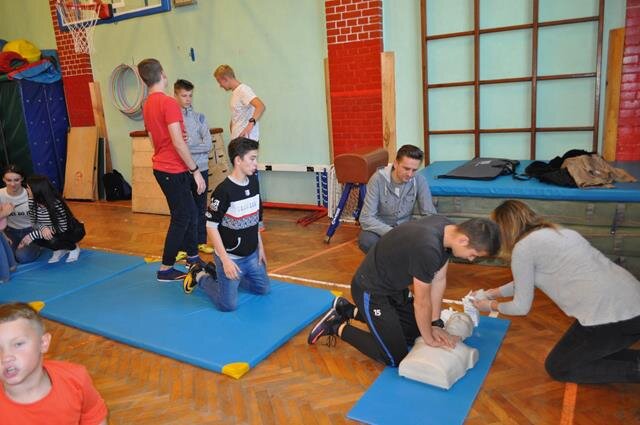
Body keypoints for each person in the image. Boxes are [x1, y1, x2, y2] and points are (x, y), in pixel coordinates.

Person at [472, 200, 640, 384]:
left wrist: (490, 305)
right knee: (577, 357)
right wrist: (494, 293)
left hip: (613, 316)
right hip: (630, 299)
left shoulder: (523, 249)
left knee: (559, 368)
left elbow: (521, 308)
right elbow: (527, 279)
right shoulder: (559, 232)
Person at [308, 216, 501, 367]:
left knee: (414, 333)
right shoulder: (428, 248)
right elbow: (421, 302)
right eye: (474, 254)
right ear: (464, 239)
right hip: (371, 291)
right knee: (395, 357)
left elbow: (439, 279)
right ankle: (335, 325)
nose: (471, 260)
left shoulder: (447, 229)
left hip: (394, 287)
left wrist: (435, 323)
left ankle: (348, 310)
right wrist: (429, 338)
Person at [137, 58, 206, 282]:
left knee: (191, 212)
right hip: (172, 170)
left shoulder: (147, 104)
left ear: (144, 80)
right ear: (163, 75)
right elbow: (178, 142)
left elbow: (153, 138)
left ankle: (193, 257)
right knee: (182, 217)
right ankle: (166, 268)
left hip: (165, 167)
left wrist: (172, 143)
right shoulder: (168, 103)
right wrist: (195, 170)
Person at [183, 137, 269, 311]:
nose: (256, 163)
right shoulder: (224, 191)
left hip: (252, 255)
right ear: (238, 160)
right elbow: (211, 226)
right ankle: (200, 275)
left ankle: (221, 275)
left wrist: (260, 247)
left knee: (263, 289)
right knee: (227, 305)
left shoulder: (254, 182)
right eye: (252, 158)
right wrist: (225, 261)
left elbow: (255, 219)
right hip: (230, 258)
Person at [0, 302, 108, 424]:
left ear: (43, 343)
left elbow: (93, 416)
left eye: (18, 344)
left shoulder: (75, 378)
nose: (5, 357)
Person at [358, 144, 437, 253]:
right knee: (366, 240)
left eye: (414, 170)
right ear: (395, 164)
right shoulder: (377, 179)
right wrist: (394, 233)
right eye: (406, 168)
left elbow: (429, 214)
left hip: (406, 228)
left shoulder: (420, 180)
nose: (410, 174)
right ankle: (383, 262)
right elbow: (366, 218)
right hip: (381, 229)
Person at [173, 78, 214, 257]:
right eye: (184, 95)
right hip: (182, 169)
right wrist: (184, 147)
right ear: (176, 95)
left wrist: (187, 147)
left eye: (190, 95)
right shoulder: (173, 120)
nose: (188, 99)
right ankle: (184, 248)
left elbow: (208, 145)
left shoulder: (200, 118)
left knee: (200, 207)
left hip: (201, 168)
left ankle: (200, 242)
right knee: (184, 210)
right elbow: (176, 146)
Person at [18, 175, 85, 264]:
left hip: (69, 231)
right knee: (38, 239)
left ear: (37, 190)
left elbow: (63, 228)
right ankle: (59, 249)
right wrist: (43, 228)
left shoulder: (55, 204)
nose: (26, 190)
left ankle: (73, 248)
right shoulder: (32, 201)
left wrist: (34, 234)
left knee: (51, 240)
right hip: (53, 231)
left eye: (28, 188)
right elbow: (34, 223)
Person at [0, 164, 40, 263]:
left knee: (22, 257)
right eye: (9, 180)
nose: (13, 184)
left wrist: (33, 235)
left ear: (22, 179)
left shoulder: (30, 193)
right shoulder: (0, 194)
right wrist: (3, 214)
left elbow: (46, 218)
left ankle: (38, 245)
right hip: (10, 232)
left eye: (16, 180)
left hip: (31, 230)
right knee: (7, 257)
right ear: (3, 179)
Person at [213, 64, 265, 141]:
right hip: (237, 139)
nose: (220, 85)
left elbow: (260, 106)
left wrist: (250, 125)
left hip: (246, 141)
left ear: (225, 79)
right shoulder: (235, 92)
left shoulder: (243, 90)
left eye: (219, 82)